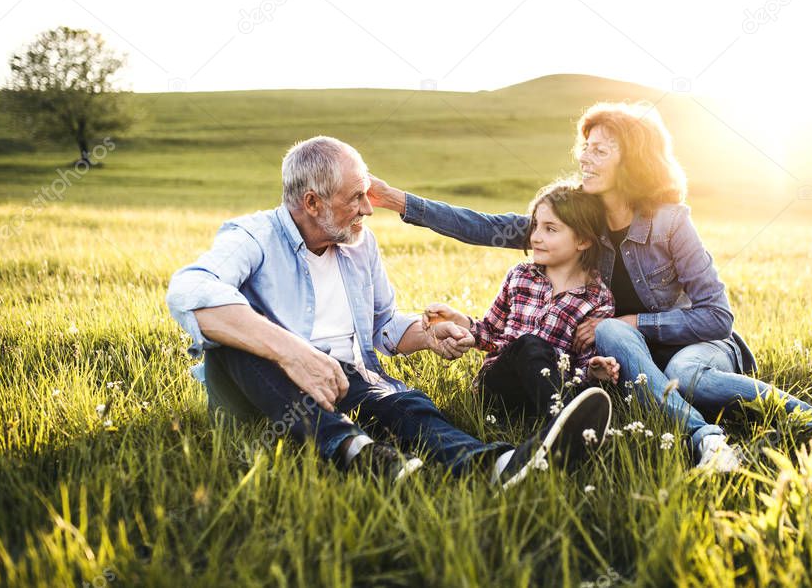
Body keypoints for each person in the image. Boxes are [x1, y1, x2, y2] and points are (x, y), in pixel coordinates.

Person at [369, 102, 812, 472]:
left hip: (699, 345)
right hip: (625, 361)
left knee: (685, 375)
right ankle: (693, 434)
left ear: (631, 161)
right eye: (584, 148)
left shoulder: (672, 222)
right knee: (612, 339)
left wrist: (632, 321)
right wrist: (401, 202)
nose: (585, 158)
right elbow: (483, 225)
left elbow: (718, 316)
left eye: (601, 150)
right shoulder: (576, 222)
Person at [166, 136, 613, 486]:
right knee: (233, 345)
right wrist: (294, 354)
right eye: (355, 198)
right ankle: (353, 450)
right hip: (267, 389)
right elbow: (190, 290)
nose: (367, 209)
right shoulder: (254, 236)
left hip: (351, 379)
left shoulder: (359, 245)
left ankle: (498, 465)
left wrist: (426, 332)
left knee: (407, 405)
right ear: (311, 203)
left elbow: (383, 325)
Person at [423, 179, 621, 422]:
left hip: (553, 389)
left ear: (583, 240)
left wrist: (593, 369)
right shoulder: (520, 276)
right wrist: (459, 320)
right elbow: (490, 332)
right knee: (530, 344)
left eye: (550, 229)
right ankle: (570, 421)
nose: (535, 237)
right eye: (535, 225)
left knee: (547, 362)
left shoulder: (598, 298)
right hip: (500, 387)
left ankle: (561, 419)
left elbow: (581, 363)